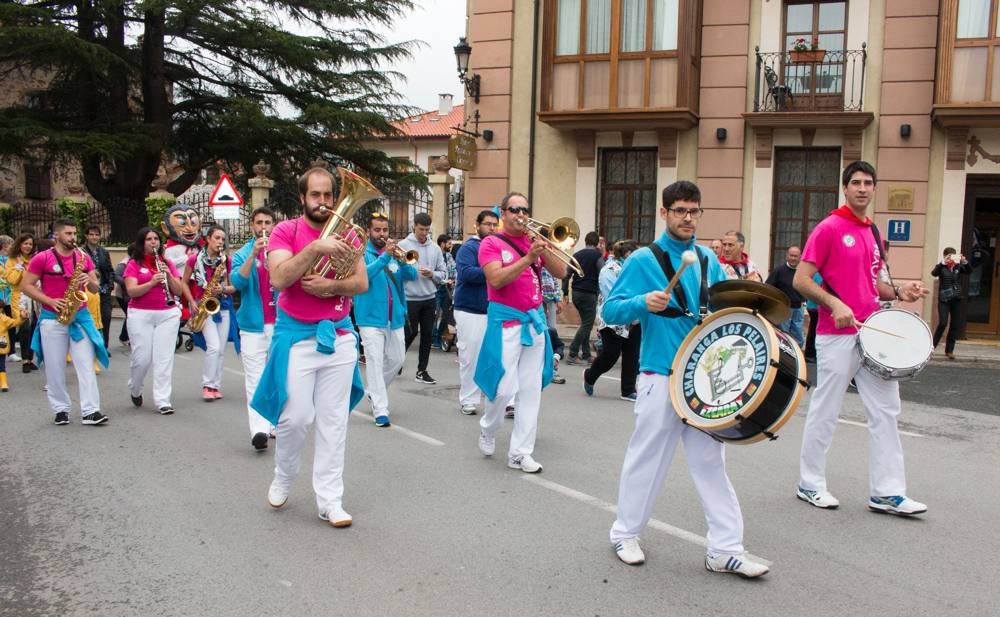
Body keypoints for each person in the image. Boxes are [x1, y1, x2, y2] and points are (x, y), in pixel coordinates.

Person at [602, 181, 768, 576]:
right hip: (659, 374)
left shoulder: (708, 258)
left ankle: (725, 550)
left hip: (703, 382)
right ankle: (625, 533)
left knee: (712, 463)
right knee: (647, 459)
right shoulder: (643, 260)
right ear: (664, 213)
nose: (688, 218)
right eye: (680, 211)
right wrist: (644, 302)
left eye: (694, 211)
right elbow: (610, 312)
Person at [793, 160, 929, 517]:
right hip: (835, 333)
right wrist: (835, 303)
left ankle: (887, 492)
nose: (863, 188)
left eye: (869, 182)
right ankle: (810, 483)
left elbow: (873, 284)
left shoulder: (872, 232)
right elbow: (802, 280)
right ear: (845, 187)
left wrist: (902, 290)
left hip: (871, 333)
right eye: (856, 182)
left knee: (886, 410)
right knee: (827, 407)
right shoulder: (829, 228)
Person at [251, 165, 367, 528]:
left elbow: (361, 282)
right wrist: (316, 247)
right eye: (315, 195)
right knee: (296, 418)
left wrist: (332, 287)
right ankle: (284, 477)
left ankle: (330, 500)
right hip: (297, 336)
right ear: (302, 197)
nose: (323, 202)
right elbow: (280, 277)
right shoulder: (286, 230)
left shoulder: (349, 233)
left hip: (339, 334)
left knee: (334, 423)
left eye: (328, 195)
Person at [474, 192, 569, 474]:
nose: (521, 214)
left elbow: (562, 271)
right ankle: (488, 429)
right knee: (503, 390)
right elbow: (496, 279)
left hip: (534, 322)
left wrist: (546, 247)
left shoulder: (533, 241)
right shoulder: (491, 243)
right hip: (506, 323)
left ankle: (520, 453)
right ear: (503, 213)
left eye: (525, 209)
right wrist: (528, 257)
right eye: (514, 209)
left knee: (530, 392)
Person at [21, 219, 109, 426]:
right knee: (54, 367)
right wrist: (50, 300)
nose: (73, 238)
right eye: (68, 234)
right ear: (56, 235)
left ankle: (91, 411)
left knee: (86, 364)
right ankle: (61, 409)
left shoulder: (82, 257)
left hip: (80, 317)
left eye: (74, 234)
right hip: (53, 318)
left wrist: (91, 282)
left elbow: (96, 288)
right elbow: (26, 286)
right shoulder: (42, 258)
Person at [353, 212, 417, 427]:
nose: (382, 234)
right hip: (370, 318)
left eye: (385, 230)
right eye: (377, 230)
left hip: (395, 317)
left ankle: (373, 391)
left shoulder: (393, 255)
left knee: (397, 359)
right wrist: (385, 258)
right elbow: (364, 276)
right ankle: (381, 410)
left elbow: (412, 276)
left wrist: (404, 260)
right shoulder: (361, 253)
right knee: (375, 361)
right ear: (369, 231)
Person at [231, 207, 279, 450]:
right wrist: (254, 255)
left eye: (268, 222)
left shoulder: (282, 250)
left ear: (273, 225)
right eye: (259, 222)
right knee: (255, 379)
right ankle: (259, 430)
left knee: (277, 377)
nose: (264, 226)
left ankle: (273, 423)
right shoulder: (241, 254)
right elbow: (237, 282)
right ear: (252, 226)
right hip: (252, 327)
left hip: (280, 324)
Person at [124, 227, 185, 414]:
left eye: (156, 239)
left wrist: (167, 275)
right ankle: (135, 387)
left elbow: (179, 291)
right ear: (142, 243)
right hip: (140, 313)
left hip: (167, 314)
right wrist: (151, 282)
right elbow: (131, 291)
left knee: (163, 359)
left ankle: (163, 400)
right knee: (142, 358)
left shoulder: (167, 263)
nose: (153, 242)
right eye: (149, 239)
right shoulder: (134, 264)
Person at [182, 225, 236, 402]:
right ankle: (207, 385)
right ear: (208, 239)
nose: (220, 242)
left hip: (224, 305)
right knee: (213, 347)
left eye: (222, 239)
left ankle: (215, 386)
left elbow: (233, 286)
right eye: (217, 238)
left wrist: (223, 289)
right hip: (203, 305)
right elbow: (183, 283)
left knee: (220, 349)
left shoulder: (226, 260)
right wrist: (191, 301)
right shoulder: (194, 260)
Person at [454, 209, 499, 415]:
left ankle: (497, 397)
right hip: (470, 310)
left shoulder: (498, 247)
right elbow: (466, 273)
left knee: (496, 357)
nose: (491, 228)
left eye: (494, 224)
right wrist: (493, 271)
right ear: (477, 226)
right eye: (487, 224)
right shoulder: (468, 248)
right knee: (470, 356)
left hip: (494, 310)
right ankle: (468, 399)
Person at [583, 239, 640, 401]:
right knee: (611, 355)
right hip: (613, 319)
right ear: (628, 254)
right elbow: (611, 296)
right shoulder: (609, 270)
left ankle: (628, 390)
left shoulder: (636, 269)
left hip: (635, 318)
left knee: (632, 355)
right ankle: (589, 376)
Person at [399, 212, 447, 384]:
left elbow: (443, 273)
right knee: (408, 334)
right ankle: (397, 362)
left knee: (427, 335)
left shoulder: (434, 248)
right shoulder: (403, 245)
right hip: (410, 298)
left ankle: (422, 370)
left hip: (429, 298)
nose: (424, 233)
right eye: (421, 229)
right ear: (414, 227)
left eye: (427, 230)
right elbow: (396, 271)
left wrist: (432, 273)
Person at [567, 231, 604, 364]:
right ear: (596, 243)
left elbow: (567, 273)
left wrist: (565, 292)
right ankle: (572, 353)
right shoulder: (597, 256)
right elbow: (603, 272)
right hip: (589, 294)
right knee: (587, 325)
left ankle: (587, 354)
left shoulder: (576, 255)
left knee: (585, 323)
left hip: (576, 293)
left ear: (586, 241)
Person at [931, 247, 971, 360]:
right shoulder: (941, 266)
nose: (951, 258)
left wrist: (964, 261)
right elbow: (934, 273)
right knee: (943, 323)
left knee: (954, 324)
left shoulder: (958, 266)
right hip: (944, 299)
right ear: (945, 256)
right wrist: (943, 262)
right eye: (949, 256)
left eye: (953, 255)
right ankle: (931, 347)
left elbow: (969, 271)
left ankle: (949, 350)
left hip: (956, 298)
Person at [6, 233, 38, 372]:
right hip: (19, 297)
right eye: (25, 243)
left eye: (30, 244)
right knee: (24, 327)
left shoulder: (35, 259)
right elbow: (11, 281)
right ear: (19, 244)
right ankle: (25, 360)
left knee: (34, 327)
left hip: (35, 296)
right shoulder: (12, 260)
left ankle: (30, 359)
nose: (28, 246)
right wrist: (19, 267)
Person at [765, 246, 806, 347]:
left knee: (798, 336)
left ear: (800, 257)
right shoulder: (778, 271)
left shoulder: (803, 271)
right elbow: (768, 287)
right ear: (786, 256)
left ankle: (798, 358)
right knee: (784, 335)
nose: (793, 258)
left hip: (798, 308)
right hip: (784, 308)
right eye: (791, 255)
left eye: (795, 256)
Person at [81, 226, 115, 351]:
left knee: (106, 316)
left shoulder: (103, 252)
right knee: (90, 318)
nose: (94, 237)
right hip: (88, 290)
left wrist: (110, 286)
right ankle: (89, 345)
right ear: (86, 236)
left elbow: (110, 271)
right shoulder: (81, 252)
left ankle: (104, 346)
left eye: (96, 234)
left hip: (104, 289)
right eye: (91, 234)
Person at [432, 233, 457, 350]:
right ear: (442, 243)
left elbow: (454, 269)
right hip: (436, 289)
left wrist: (453, 279)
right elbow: (434, 273)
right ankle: (433, 339)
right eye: (449, 243)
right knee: (436, 315)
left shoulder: (449, 256)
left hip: (447, 289)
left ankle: (439, 336)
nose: (450, 245)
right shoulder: (435, 255)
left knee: (447, 315)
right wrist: (444, 280)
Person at [113, 246, 132, 346]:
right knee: (130, 315)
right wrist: (127, 282)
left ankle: (127, 336)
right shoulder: (124, 263)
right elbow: (115, 276)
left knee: (131, 315)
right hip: (122, 295)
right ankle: (124, 337)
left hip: (130, 294)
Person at [803, 272, 822, 362]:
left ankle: (810, 354)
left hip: (812, 305)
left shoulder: (815, 274)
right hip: (816, 306)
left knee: (813, 328)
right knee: (815, 330)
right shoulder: (820, 275)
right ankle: (811, 354)